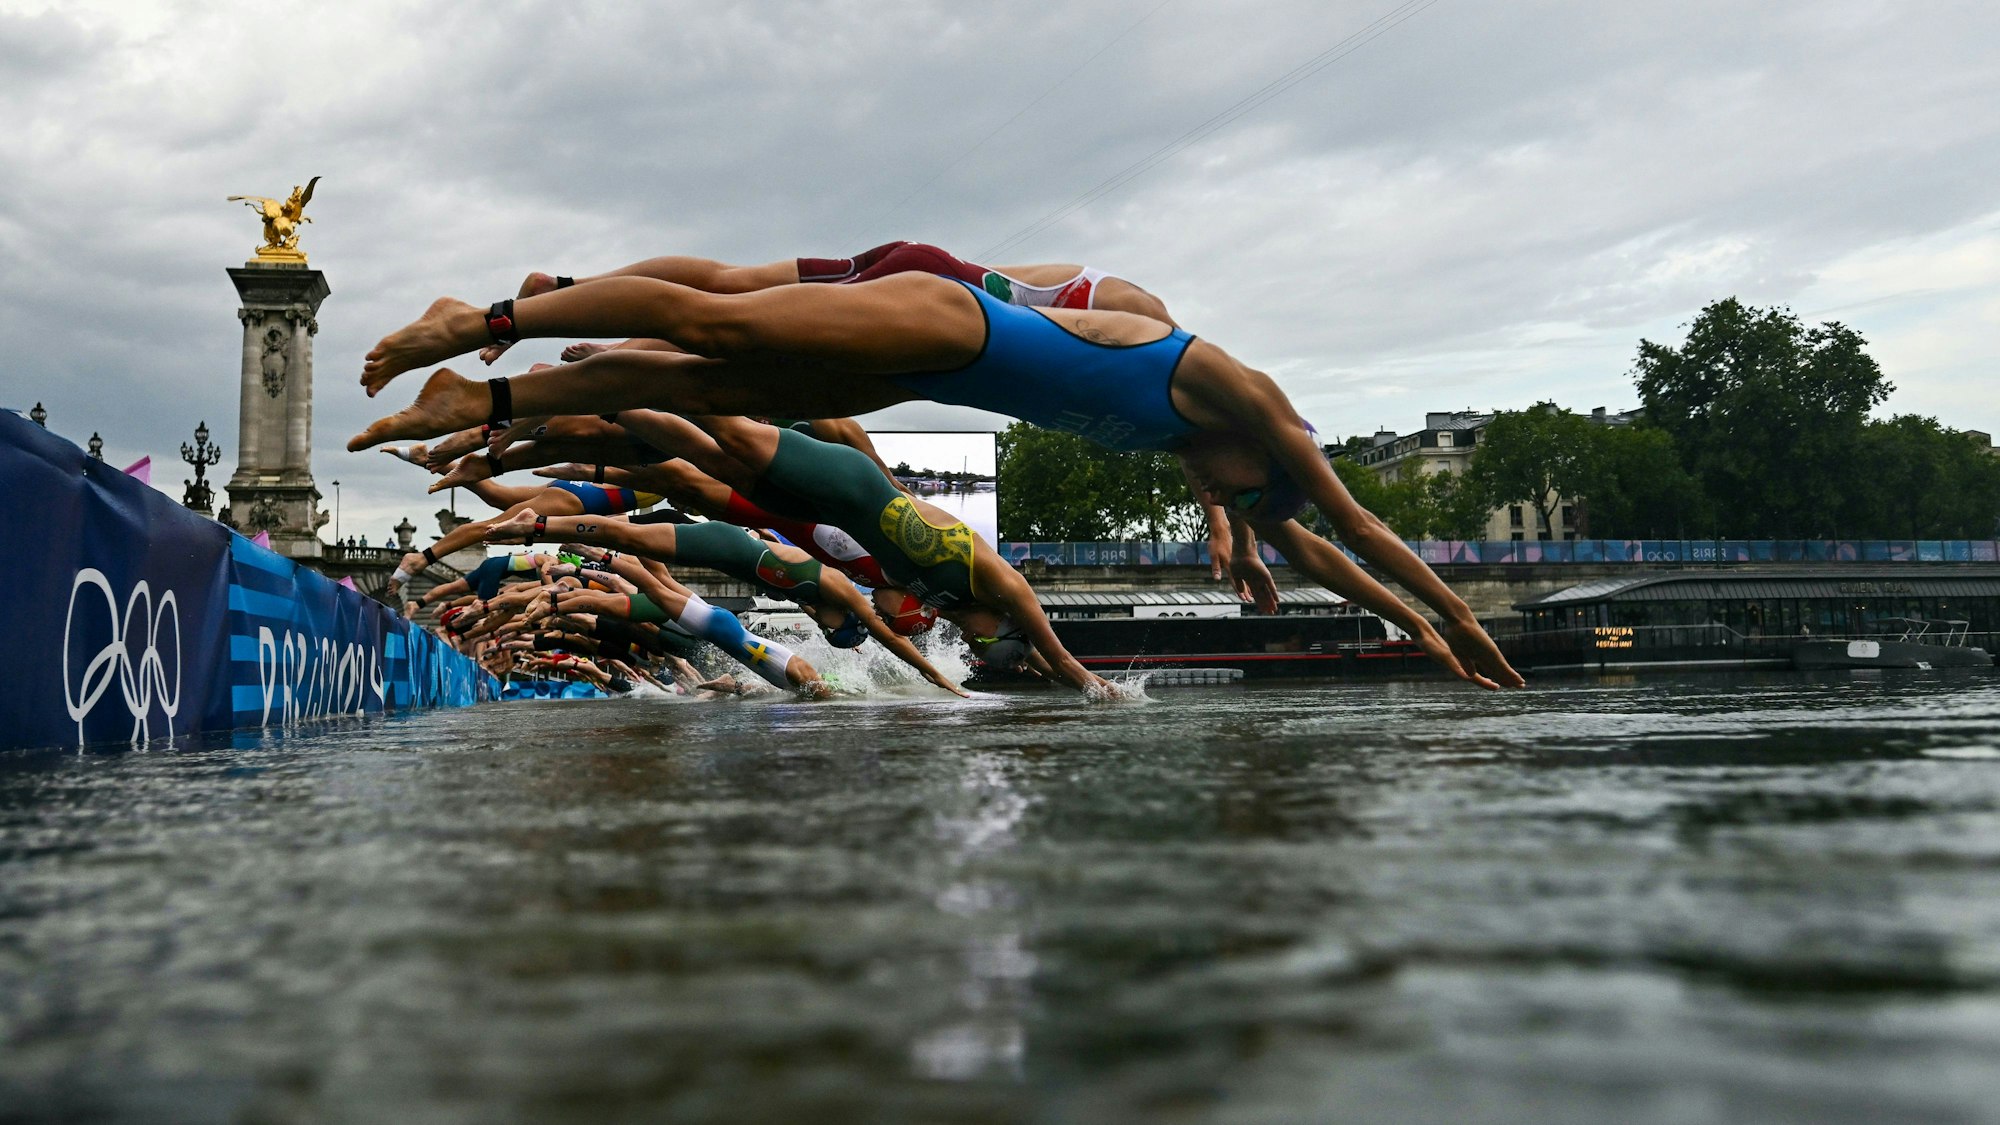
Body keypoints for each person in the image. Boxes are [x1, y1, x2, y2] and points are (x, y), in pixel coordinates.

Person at [354, 269, 1522, 689]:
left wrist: (1417, 638)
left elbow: (1319, 551)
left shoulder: (1221, 464)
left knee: (712, 380)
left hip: (938, 366)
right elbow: (1354, 521)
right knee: (716, 331)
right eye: (1246, 502)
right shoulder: (1241, 396)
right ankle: (485, 326)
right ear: (1271, 450)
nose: (1234, 509)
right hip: (949, 315)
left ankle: (490, 402)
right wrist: (1459, 610)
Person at [482, 509, 968, 697]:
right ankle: (550, 529)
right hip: (734, 552)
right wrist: (938, 678)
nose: (826, 632)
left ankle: (575, 553)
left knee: (655, 581)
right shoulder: (841, 592)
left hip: (736, 579)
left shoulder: (822, 605)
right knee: (647, 569)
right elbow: (886, 635)